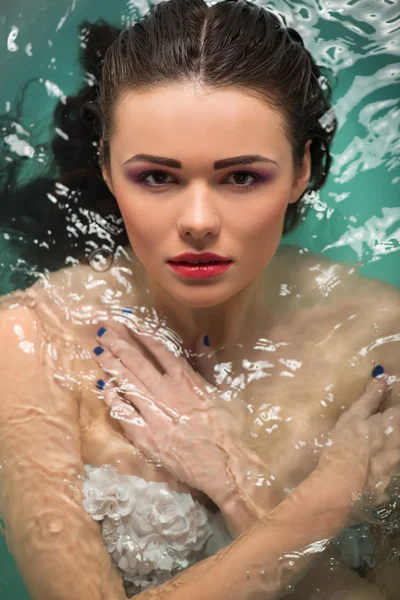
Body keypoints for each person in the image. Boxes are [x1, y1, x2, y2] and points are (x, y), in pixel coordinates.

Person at [0, 0, 399, 598]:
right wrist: (329, 495)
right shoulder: (31, 337)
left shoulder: (383, 338)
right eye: (156, 177)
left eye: (242, 177)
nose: (198, 221)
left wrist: (235, 481)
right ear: (106, 170)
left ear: (300, 172)